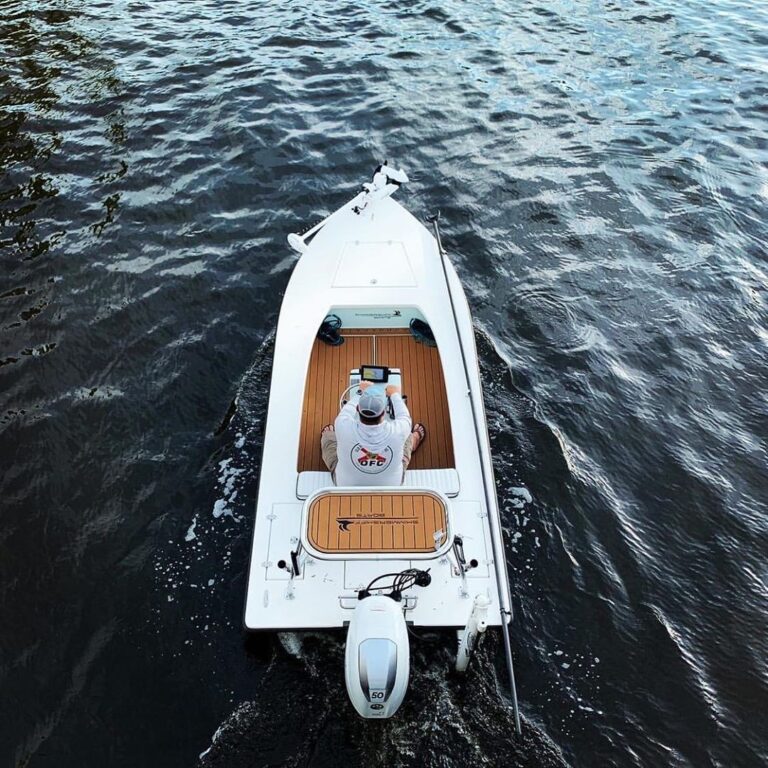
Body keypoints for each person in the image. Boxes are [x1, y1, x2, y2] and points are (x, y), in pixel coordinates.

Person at [320, 382, 426, 486]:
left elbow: (347, 410)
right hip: (392, 485)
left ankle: (327, 436)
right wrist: (394, 394)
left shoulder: (342, 425)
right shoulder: (399, 430)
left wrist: (360, 392)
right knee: (406, 436)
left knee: (329, 436)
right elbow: (404, 416)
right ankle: (415, 439)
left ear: (358, 409)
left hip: (345, 484)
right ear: (383, 412)